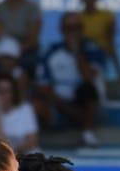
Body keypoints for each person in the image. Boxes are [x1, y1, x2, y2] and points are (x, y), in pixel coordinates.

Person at [37, 11, 106, 147]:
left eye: (76, 28)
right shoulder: (51, 52)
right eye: (68, 28)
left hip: (86, 107)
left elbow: (88, 77)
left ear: (82, 29)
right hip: (59, 105)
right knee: (36, 103)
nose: (72, 32)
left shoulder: (93, 49)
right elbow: (43, 85)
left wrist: (77, 51)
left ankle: (88, 134)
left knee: (87, 90)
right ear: (61, 30)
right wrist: (63, 106)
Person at [0, 73, 40, 154]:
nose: (3, 95)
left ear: (13, 93)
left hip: (26, 156)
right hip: (4, 159)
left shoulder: (25, 108)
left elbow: (33, 140)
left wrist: (14, 152)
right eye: (0, 91)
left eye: (7, 91)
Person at [78, 0, 120, 79]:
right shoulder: (77, 18)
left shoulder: (107, 16)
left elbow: (111, 44)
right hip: (80, 63)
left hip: (99, 62)